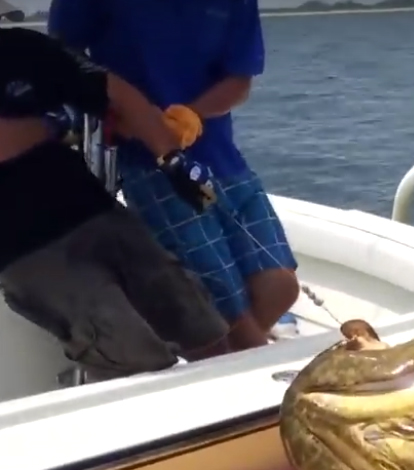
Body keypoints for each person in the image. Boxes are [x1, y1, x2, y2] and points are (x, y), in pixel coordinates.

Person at [48, 0, 302, 353]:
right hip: (150, 165)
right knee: (227, 307)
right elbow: (60, 58)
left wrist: (191, 114)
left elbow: (239, 78)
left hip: (222, 157)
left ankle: (214, 358)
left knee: (281, 286)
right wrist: (128, 116)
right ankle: (236, 361)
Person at [0, 25, 232, 381]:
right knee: (134, 362)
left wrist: (171, 160)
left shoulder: (20, 48)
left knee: (203, 330)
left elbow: (116, 93)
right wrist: (45, 126)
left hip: (94, 211)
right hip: (27, 250)